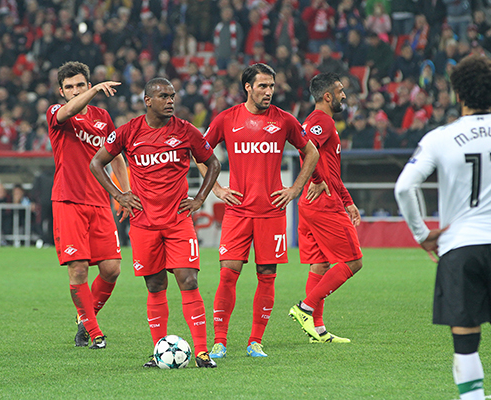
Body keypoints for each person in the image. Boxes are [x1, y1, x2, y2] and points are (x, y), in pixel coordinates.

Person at [90, 77, 221, 368]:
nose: (170, 100)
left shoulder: (186, 130)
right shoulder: (128, 131)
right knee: (155, 284)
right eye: (163, 96)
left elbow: (213, 163)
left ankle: (202, 352)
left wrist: (200, 199)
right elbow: (96, 163)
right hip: (144, 223)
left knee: (189, 280)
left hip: (178, 221)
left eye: (172, 95)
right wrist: (119, 194)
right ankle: (158, 351)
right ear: (148, 101)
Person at [195, 63, 320, 358]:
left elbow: (312, 152)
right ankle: (220, 342)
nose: (269, 92)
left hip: (271, 212)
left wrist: (295, 189)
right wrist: (217, 189)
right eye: (263, 86)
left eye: (272, 86)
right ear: (248, 87)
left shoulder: (285, 120)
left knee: (267, 275)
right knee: (228, 275)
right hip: (238, 211)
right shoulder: (227, 119)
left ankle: (255, 341)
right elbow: (200, 152)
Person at [395, 55, 491, 400]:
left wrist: (422, 235)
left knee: (466, 342)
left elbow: (404, 188)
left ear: (458, 94)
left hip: (460, 248)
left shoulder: (441, 137)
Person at [47, 61, 130, 350]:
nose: (75, 90)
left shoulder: (102, 117)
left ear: (87, 84)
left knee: (112, 269)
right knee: (79, 269)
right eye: (69, 87)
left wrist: (124, 193)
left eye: (80, 85)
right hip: (68, 199)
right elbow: (69, 110)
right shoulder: (56, 113)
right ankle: (94, 333)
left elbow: (115, 156)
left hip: (100, 200)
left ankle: (84, 316)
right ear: (61, 91)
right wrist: (94, 91)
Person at [288, 72, 363, 343]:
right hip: (322, 203)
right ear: (328, 96)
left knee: (320, 265)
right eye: (341, 91)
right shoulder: (322, 120)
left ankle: (317, 330)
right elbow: (305, 149)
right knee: (353, 261)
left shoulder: (319, 121)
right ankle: (305, 308)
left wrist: (348, 201)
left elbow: (330, 169)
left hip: (313, 203)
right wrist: (317, 179)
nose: (344, 95)